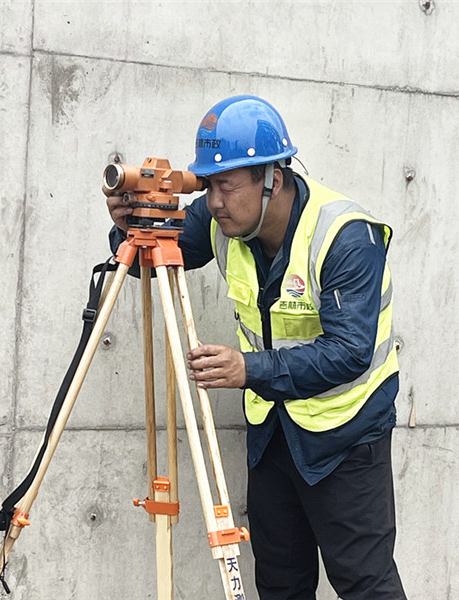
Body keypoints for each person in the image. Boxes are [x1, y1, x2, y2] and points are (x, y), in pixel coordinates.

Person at [105, 95, 406, 600]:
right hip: (274, 432)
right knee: (280, 584)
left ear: (273, 179)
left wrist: (248, 369)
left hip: (347, 435)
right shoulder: (221, 220)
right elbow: (145, 261)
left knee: (365, 585)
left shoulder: (345, 237)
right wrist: (129, 224)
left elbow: (350, 351)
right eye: (208, 185)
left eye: (227, 186)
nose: (214, 202)